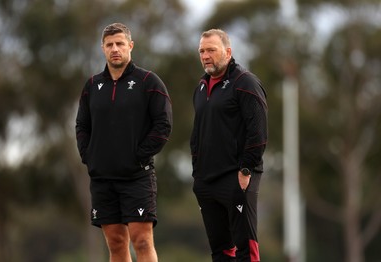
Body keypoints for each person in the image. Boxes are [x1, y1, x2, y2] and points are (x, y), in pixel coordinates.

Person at [75, 22, 172, 262]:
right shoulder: (92, 86)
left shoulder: (149, 82)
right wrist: (89, 156)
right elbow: (82, 126)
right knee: (116, 243)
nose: (115, 49)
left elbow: (163, 125)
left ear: (130, 46)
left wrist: (138, 155)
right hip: (102, 179)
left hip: (137, 177)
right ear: (102, 48)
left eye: (119, 43)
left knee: (141, 240)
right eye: (109, 45)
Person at [190, 29, 268, 262]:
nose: (205, 55)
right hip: (206, 180)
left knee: (246, 247)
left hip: (237, 177)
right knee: (220, 251)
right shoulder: (201, 87)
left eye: (211, 50)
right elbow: (198, 133)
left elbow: (258, 131)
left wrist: (245, 170)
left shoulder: (245, 83)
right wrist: (197, 173)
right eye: (202, 51)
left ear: (228, 52)